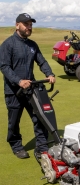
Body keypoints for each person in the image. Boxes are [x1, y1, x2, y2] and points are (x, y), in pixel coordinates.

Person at [0, 13, 56, 159]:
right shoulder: (8, 44)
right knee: (14, 121)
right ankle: (16, 145)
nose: (29, 27)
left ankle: (42, 146)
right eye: (26, 24)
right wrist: (19, 81)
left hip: (31, 90)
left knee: (39, 117)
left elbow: (42, 61)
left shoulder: (32, 45)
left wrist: (50, 74)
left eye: (31, 24)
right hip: (14, 91)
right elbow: (5, 67)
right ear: (17, 25)